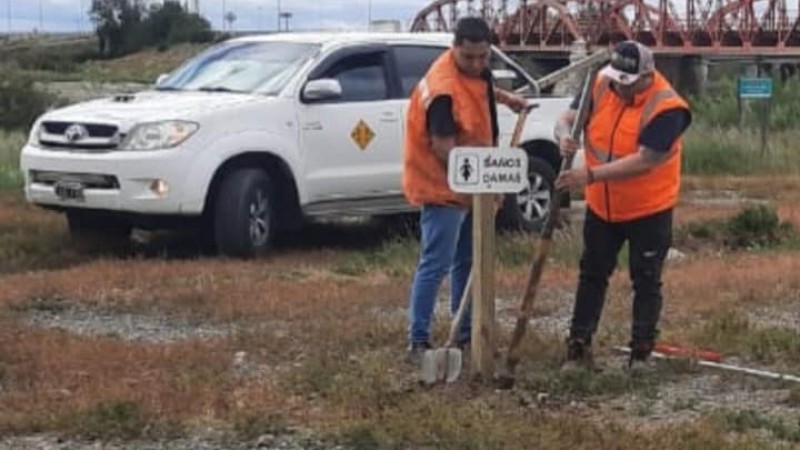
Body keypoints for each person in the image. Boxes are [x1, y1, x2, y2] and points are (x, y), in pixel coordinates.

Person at [553, 40, 692, 371]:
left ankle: (641, 353)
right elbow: (568, 117)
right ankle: (578, 348)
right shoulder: (602, 82)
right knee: (592, 275)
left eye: (627, 83)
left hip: (649, 208)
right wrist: (563, 135)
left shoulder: (668, 107)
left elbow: (646, 160)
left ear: (647, 75)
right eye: (616, 79)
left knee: (646, 279)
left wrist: (591, 175)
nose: (619, 87)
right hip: (603, 207)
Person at [402, 17, 527, 360]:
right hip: (441, 183)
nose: (476, 64)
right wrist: (483, 186)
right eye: (468, 57)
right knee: (436, 262)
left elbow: (479, 92)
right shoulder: (442, 90)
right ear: (454, 48)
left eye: (483, 57)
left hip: (474, 177)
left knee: (467, 260)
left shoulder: (478, 71)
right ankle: (418, 339)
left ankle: (466, 331)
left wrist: (506, 99)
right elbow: (445, 148)